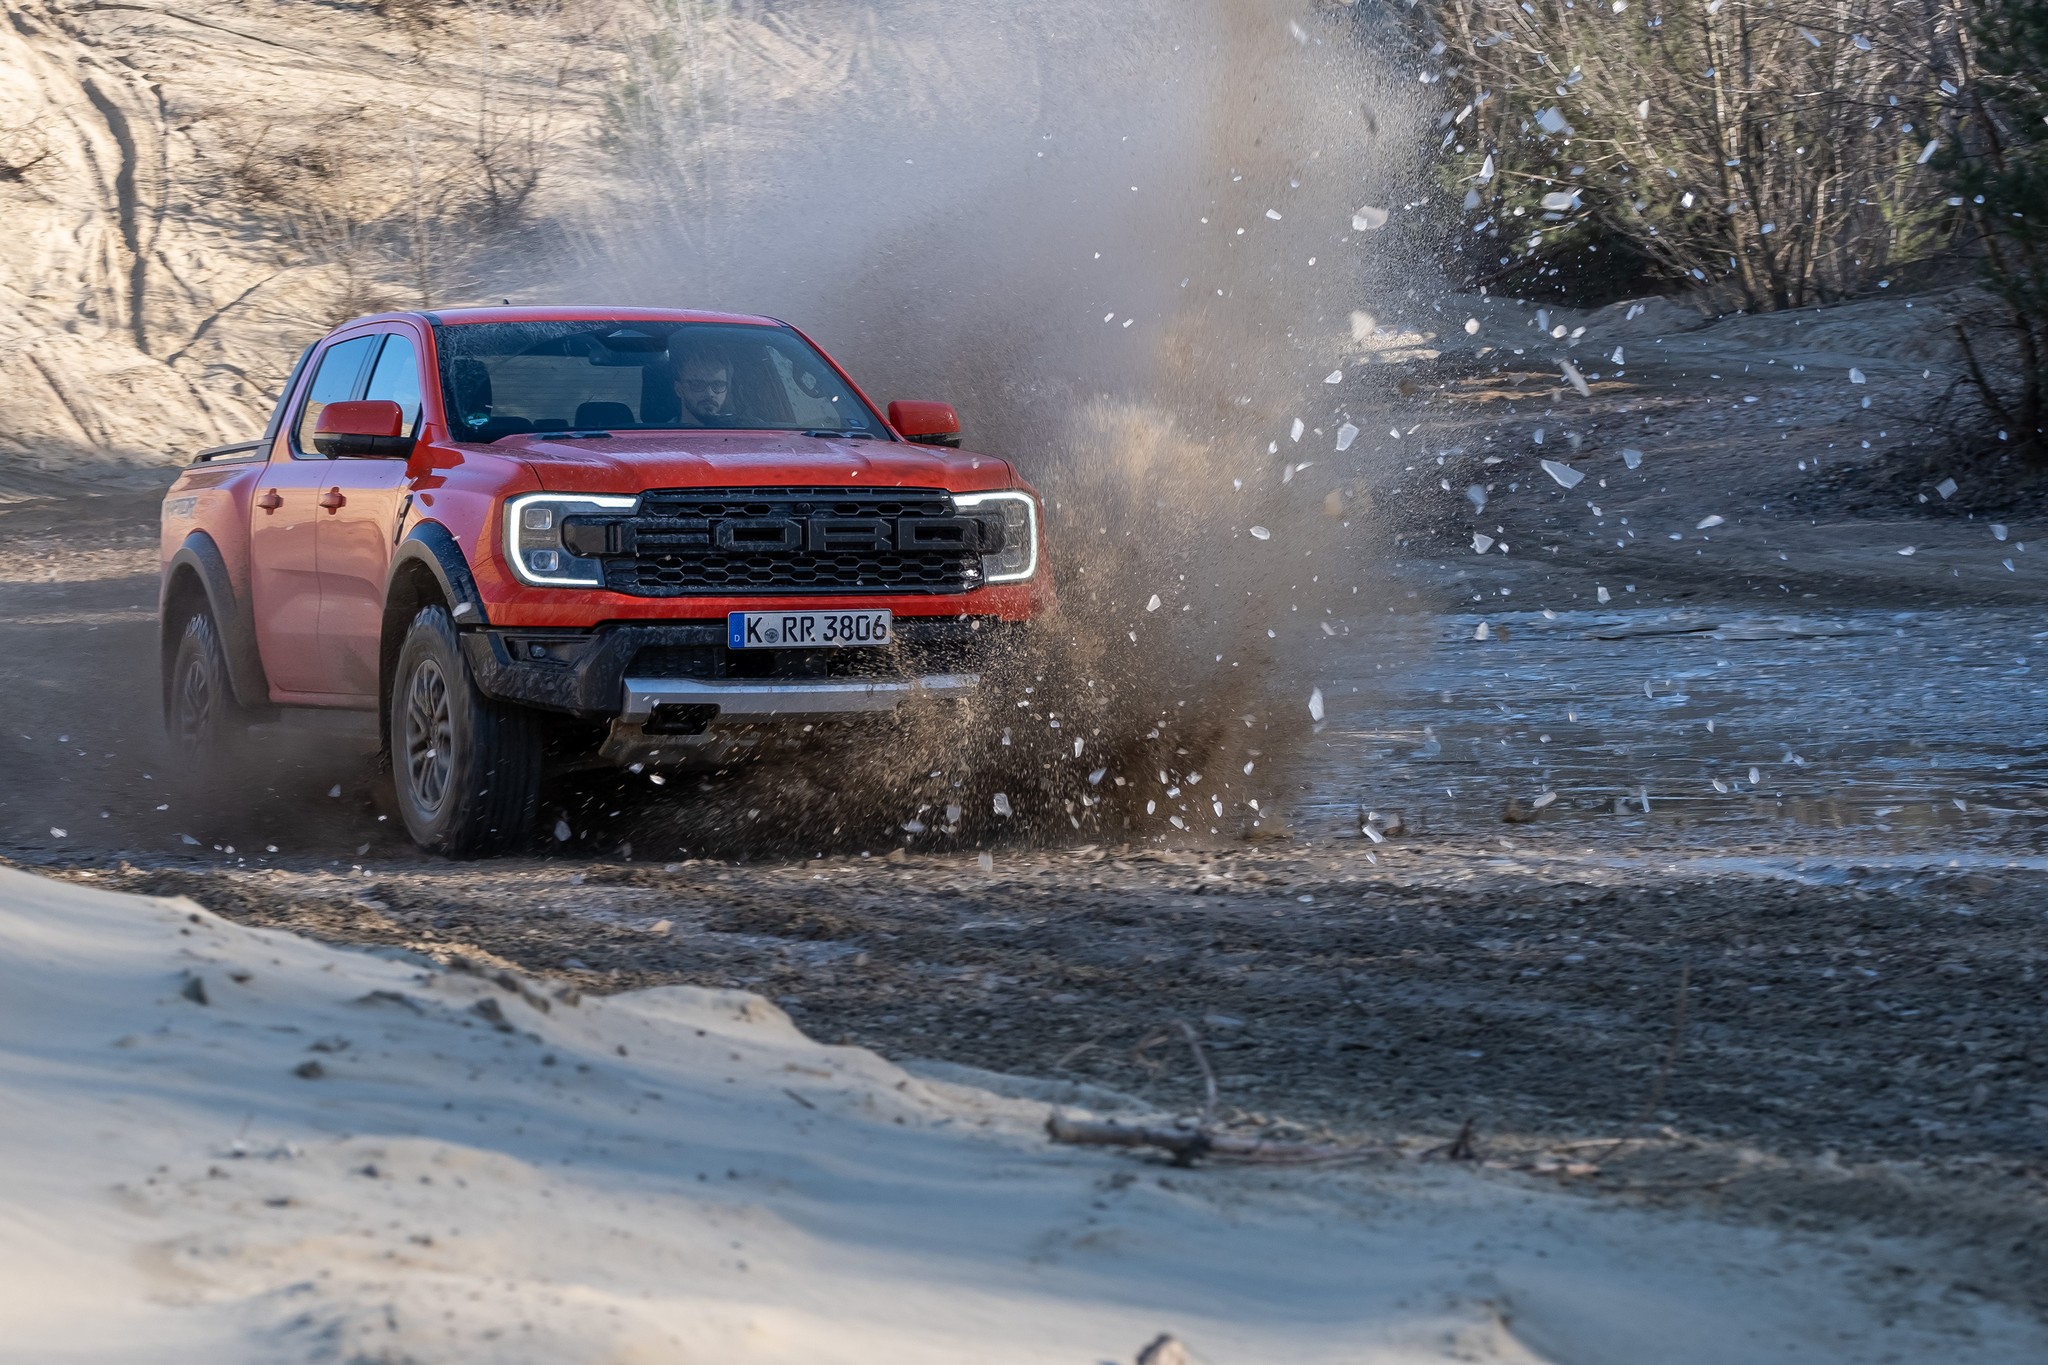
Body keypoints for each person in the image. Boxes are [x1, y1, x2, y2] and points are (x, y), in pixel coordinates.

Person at [673, 346, 740, 426]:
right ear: (679, 389)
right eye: (697, 384)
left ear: (727, 390)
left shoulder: (748, 433)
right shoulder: (661, 435)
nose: (709, 393)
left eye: (718, 384)